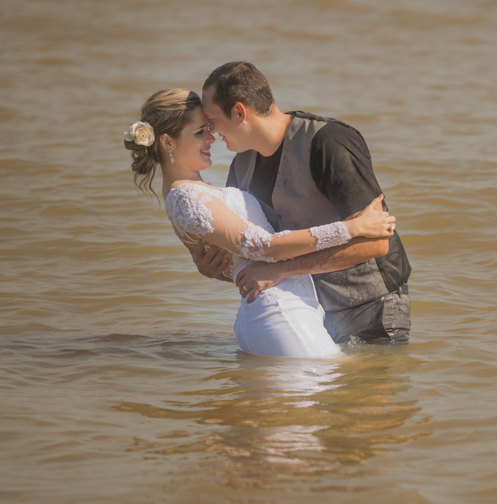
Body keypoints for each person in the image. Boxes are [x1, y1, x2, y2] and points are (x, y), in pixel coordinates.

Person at [124, 88, 396, 358]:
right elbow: (265, 246)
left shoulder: (195, 193)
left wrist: (217, 271)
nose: (211, 138)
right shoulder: (187, 197)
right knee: (325, 385)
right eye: (199, 132)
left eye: (209, 128)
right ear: (167, 143)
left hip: (283, 309)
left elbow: (242, 260)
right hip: (279, 312)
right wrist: (353, 228)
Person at [196, 62, 412, 345]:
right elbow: (259, 260)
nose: (210, 132)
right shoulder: (240, 166)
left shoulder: (329, 143)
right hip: (306, 311)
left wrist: (280, 270)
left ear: (239, 112)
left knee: (364, 387)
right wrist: (216, 269)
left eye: (211, 120)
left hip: (371, 306)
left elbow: (376, 244)